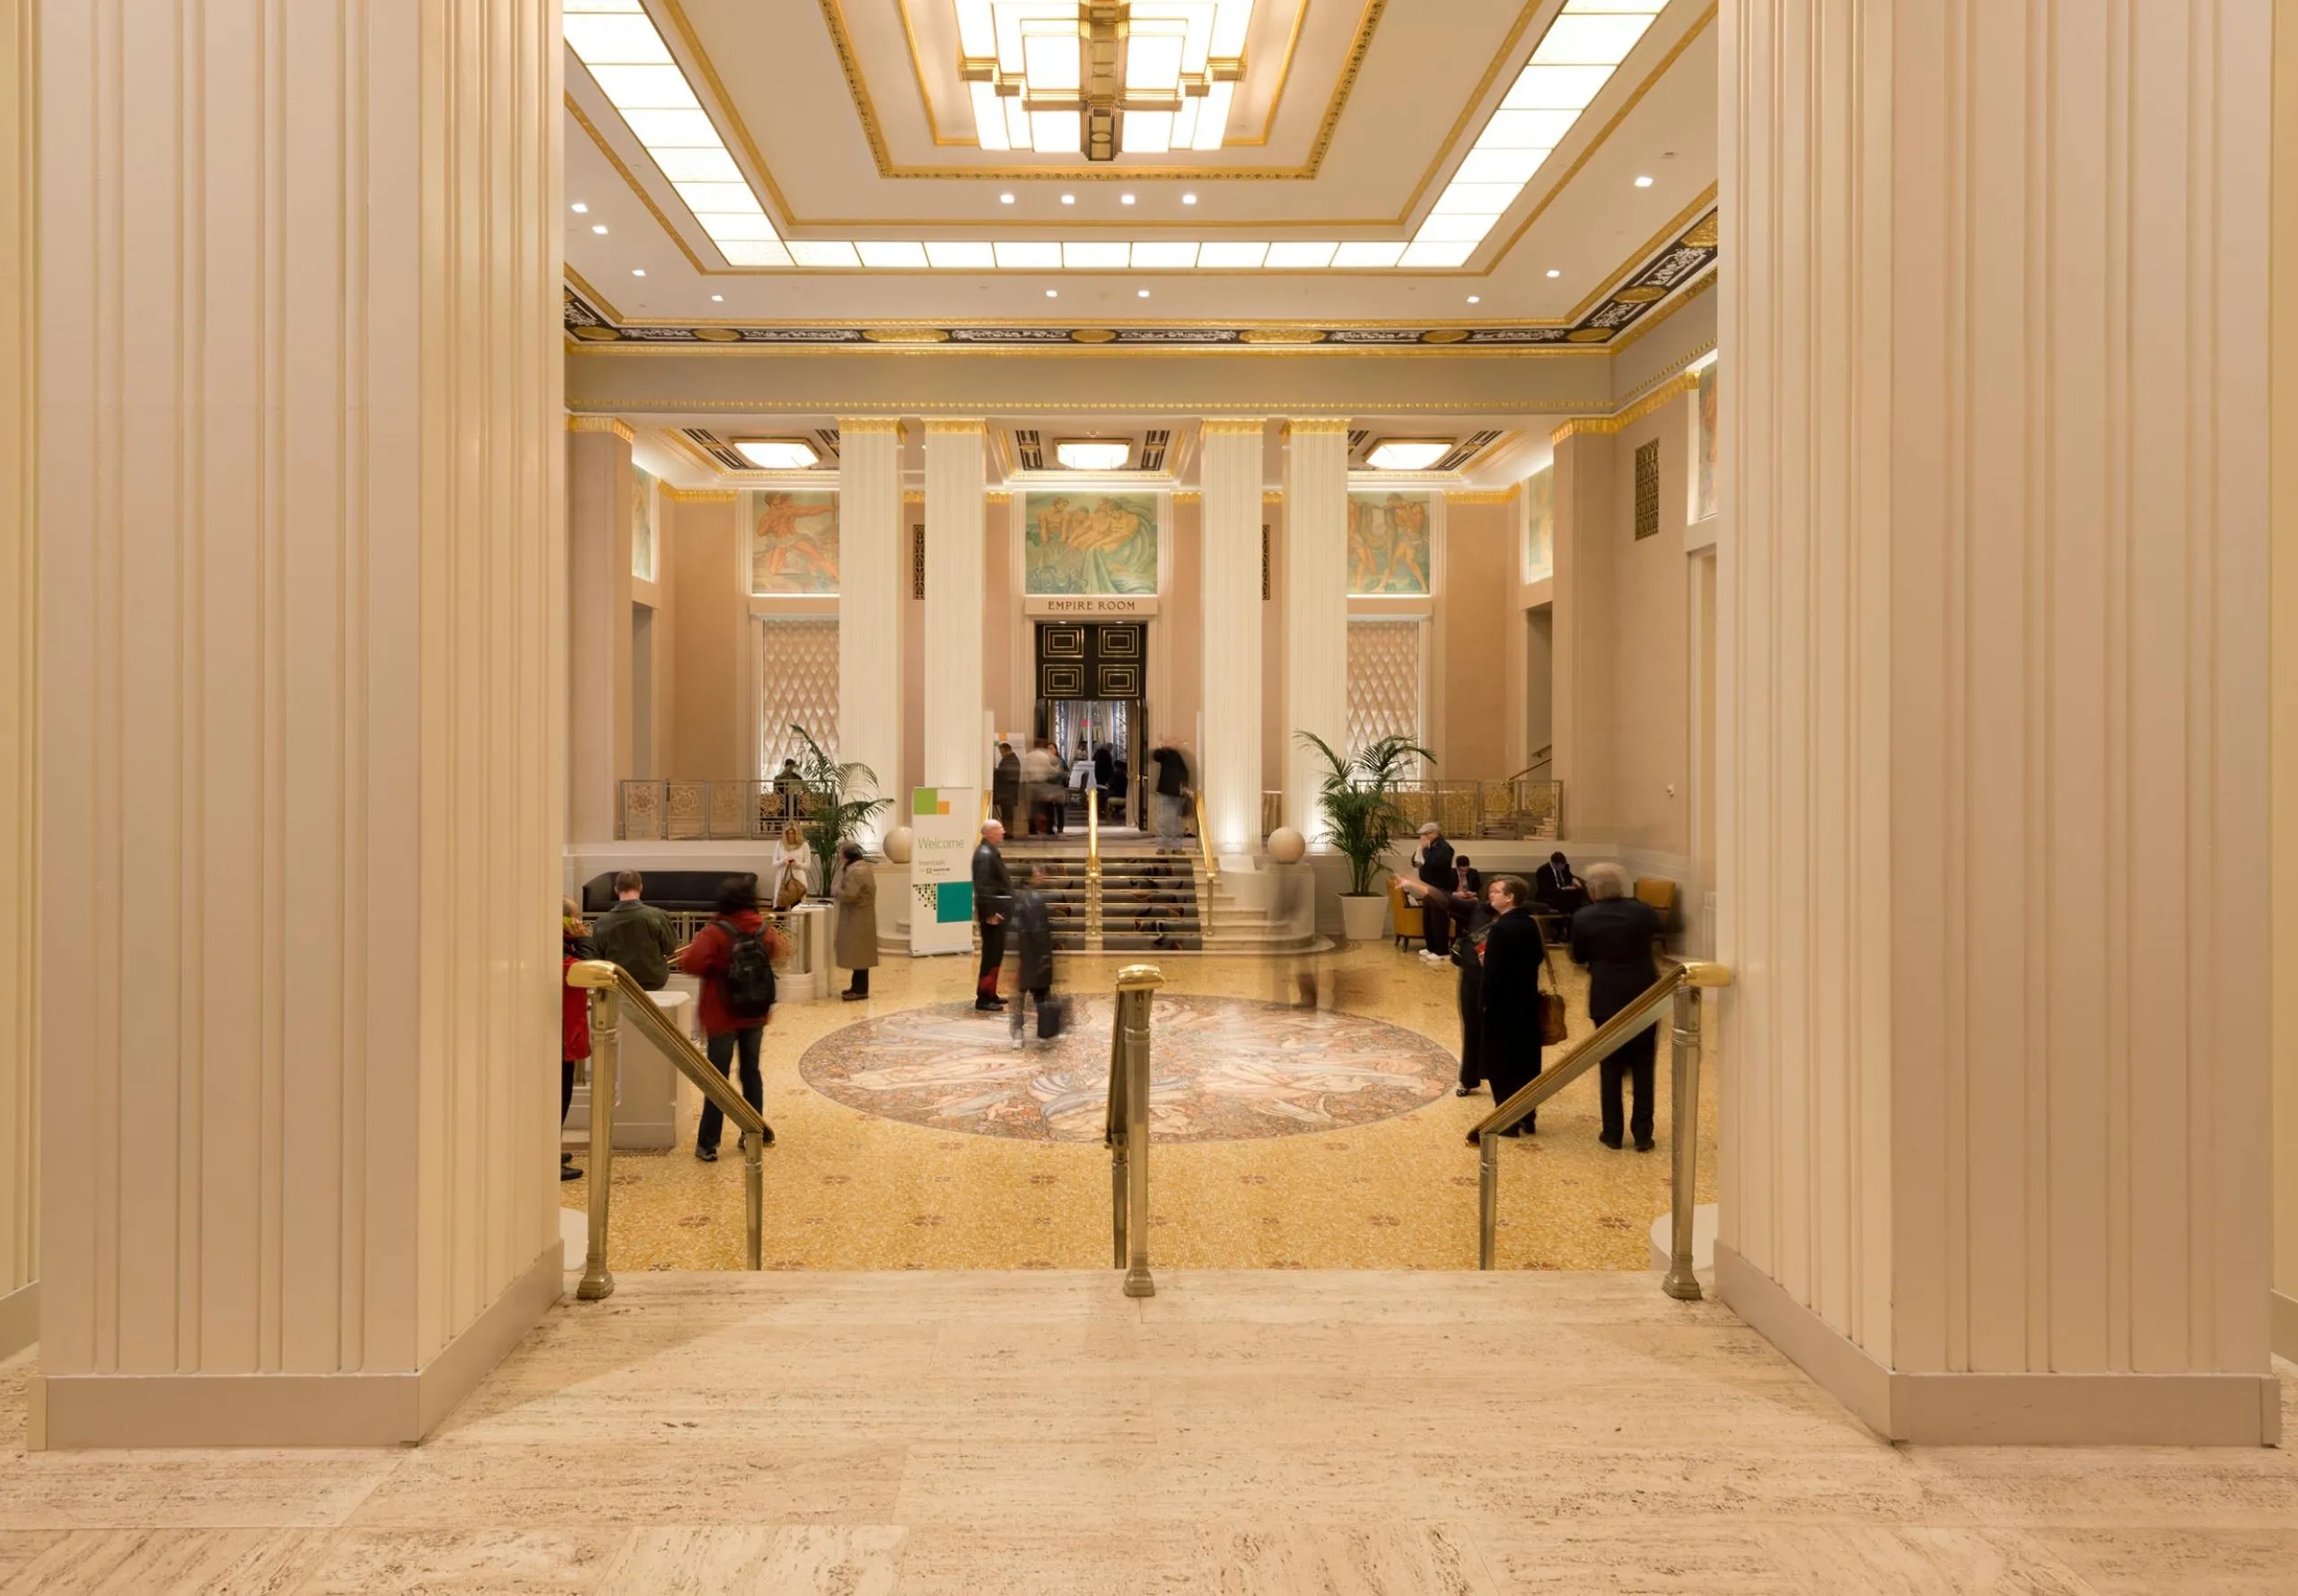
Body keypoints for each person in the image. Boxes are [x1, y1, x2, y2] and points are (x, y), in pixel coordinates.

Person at [676, 876, 782, 1162]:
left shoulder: (715, 932)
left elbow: (691, 964)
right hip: (755, 1013)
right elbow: (779, 951)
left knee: (717, 1079)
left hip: (722, 1014)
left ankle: (708, 1143)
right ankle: (753, 1133)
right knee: (751, 1072)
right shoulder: (762, 928)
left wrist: (718, 964)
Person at [1571, 862, 1665, 1151]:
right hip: (1644, 993)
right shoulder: (1642, 911)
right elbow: (1659, 933)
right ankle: (1643, 1134)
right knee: (1644, 1064)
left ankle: (1612, 1133)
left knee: (1610, 1065)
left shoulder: (1584, 917)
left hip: (1606, 995)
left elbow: (1577, 956)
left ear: (1593, 890)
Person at [1477, 875, 1548, 1136]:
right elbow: (1536, 958)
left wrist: (1483, 1002)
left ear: (1510, 898)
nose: (1490, 896)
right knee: (1525, 1061)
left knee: (1501, 1063)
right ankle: (1528, 1116)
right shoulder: (1530, 923)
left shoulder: (1501, 928)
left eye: (1496, 892)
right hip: (1526, 1001)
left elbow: (1493, 975)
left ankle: (1506, 1121)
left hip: (1502, 1006)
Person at [561, 899, 599, 1181]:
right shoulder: (561, 951)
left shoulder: (564, 945)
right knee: (558, 1098)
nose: (581, 923)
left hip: (565, 1031)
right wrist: (585, 940)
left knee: (562, 1095)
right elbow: (588, 971)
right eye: (577, 919)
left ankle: (551, 1147)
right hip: (560, 1034)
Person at [590, 870, 675, 991]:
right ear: (640, 887)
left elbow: (598, 955)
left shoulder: (602, 921)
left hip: (618, 981)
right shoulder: (658, 915)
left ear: (616, 889)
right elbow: (670, 947)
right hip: (653, 980)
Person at [1007, 865, 1056, 1047]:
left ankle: (1018, 1032)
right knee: (1040, 994)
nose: (1042, 875)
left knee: (1021, 994)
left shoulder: (1018, 896)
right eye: (1038, 872)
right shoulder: (1034, 898)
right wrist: (1045, 959)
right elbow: (1038, 932)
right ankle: (1043, 1031)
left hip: (1023, 954)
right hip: (1034, 956)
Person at [971, 820, 1013, 1011]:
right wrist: (990, 913)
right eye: (999, 829)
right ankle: (983, 998)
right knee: (991, 955)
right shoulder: (984, 855)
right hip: (993, 913)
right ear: (988, 833)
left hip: (999, 910)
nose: (1003, 831)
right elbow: (983, 886)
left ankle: (990, 993)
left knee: (996, 954)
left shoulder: (989, 852)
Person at [832, 839, 878, 1001]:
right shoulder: (861, 867)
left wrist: (837, 890)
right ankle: (856, 987)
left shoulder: (856, 871)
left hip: (857, 918)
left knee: (859, 955)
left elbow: (850, 895)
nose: (838, 856)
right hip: (861, 917)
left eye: (840, 853)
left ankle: (860, 991)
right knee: (859, 955)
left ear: (846, 855)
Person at [1411, 821, 1458, 962]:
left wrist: (1424, 850)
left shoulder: (1444, 848)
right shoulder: (1428, 847)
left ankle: (1442, 950)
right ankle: (1431, 947)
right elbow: (1415, 862)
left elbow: (1433, 863)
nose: (1423, 838)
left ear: (1433, 833)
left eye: (1425, 834)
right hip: (1428, 887)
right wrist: (1421, 849)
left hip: (1440, 888)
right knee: (1429, 920)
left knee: (1439, 920)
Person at [1149, 737, 1189, 852]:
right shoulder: (1165, 754)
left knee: (1176, 821)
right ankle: (1163, 845)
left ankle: (1177, 847)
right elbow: (1156, 756)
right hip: (1166, 791)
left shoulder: (1180, 756)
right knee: (1164, 819)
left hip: (1178, 793)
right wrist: (1162, 747)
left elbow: (1185, 773)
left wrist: (1185, 787)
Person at [1534, 851, 1589, 921]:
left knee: (1578, 891)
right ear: (1554, 864)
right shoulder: (1542, 871)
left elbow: (1569, 877)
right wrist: (1563, 889)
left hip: (1565, 893)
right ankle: (1566, 922)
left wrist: (1574, 880)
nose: (1563, 867)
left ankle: (1577, 918)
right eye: (1561, 865)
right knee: (1567, 901)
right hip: (1550, 894)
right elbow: (1544, 889)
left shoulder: (1565, 866)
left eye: (1564, 864)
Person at [770, 821, 813, 910]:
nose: (790, 835)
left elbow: (807, 865)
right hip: (783, 878)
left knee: (796, 909)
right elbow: (774, 864)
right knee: (780, 907)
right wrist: (783, 861)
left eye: (793, 833)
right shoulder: (780, 844)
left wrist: (796, 864)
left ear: (797, 833)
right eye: (788, 833)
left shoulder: (804, 845)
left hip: (798, 880)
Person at [992, 741, 1021, 832]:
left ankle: (1009, 833)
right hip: (1005, 792)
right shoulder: (1008, 759)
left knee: (1008, 814)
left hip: (1009, 792)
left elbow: (1008, 774)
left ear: (1006, 750)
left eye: (1002, 752)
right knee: (1005, 814)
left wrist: (996, 771)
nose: (1001, 754)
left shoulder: (1013, 760)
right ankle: (1006, 831)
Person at [771, 757, 806, 822]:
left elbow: (804, 789)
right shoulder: (778, 777)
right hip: (783, 799)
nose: (790, 769)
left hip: (794, 799)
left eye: (792, 767)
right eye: (789, 767)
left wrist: (798, 791)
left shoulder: (797, 777)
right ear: (785, 767)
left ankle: (794, 824)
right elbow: (776, 791)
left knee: (795, 800)